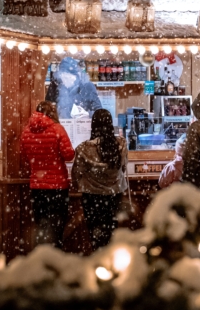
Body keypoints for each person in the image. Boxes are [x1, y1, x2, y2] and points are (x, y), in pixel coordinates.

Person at [20, 101, 75, 248]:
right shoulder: (57, 129)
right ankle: (55, 255)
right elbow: (69, 155)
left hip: (37, 187)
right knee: (57, 226)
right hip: (58, 187)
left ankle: (42, 254)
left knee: (41, 225)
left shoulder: (26, 131)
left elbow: (24, 157)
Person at [72, 109, 128, 252]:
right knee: (112, 232)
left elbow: (77, 173)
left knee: (95, 234)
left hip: (92, 196)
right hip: (114, 194)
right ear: (110, 124)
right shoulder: (121, 144)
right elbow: (123, 168)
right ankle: (110, 261)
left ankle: (98, 260)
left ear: (93, 125)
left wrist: (79, 182)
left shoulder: (83, 148)